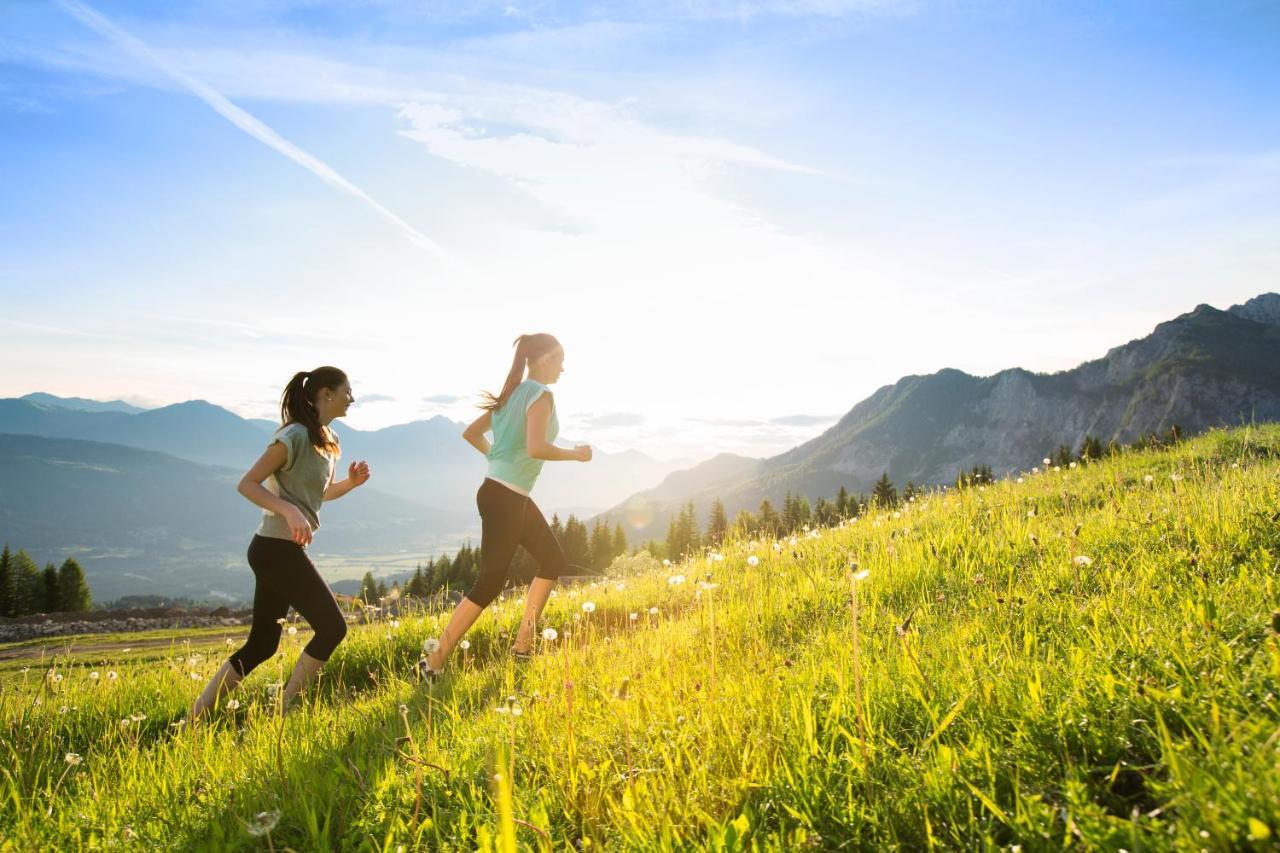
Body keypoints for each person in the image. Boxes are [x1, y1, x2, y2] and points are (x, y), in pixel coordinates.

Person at [189, 367, 370, 722]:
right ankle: (282, 710)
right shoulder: (294, 436)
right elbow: (248, 483)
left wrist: (349, 483)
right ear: (326, 394)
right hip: (274, 549)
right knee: (333, 628)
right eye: (348, 391)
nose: (353, 398)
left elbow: (320, 494)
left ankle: (195, 719)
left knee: (262, 645)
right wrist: (288, 511)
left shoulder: (329, 439)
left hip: (282, 551)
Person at [418, 334, 591, 680]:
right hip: (506, 496)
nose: (563, 367)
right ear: (543, 360)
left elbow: (470, 433)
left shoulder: (511, 393)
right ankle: (434, 660)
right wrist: (576, 454)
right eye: (559, 359)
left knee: (552, 559)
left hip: (504, 492)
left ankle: (524, 646)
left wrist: (496, 457)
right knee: (489, 583)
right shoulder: (541, 395)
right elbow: (536, 447)